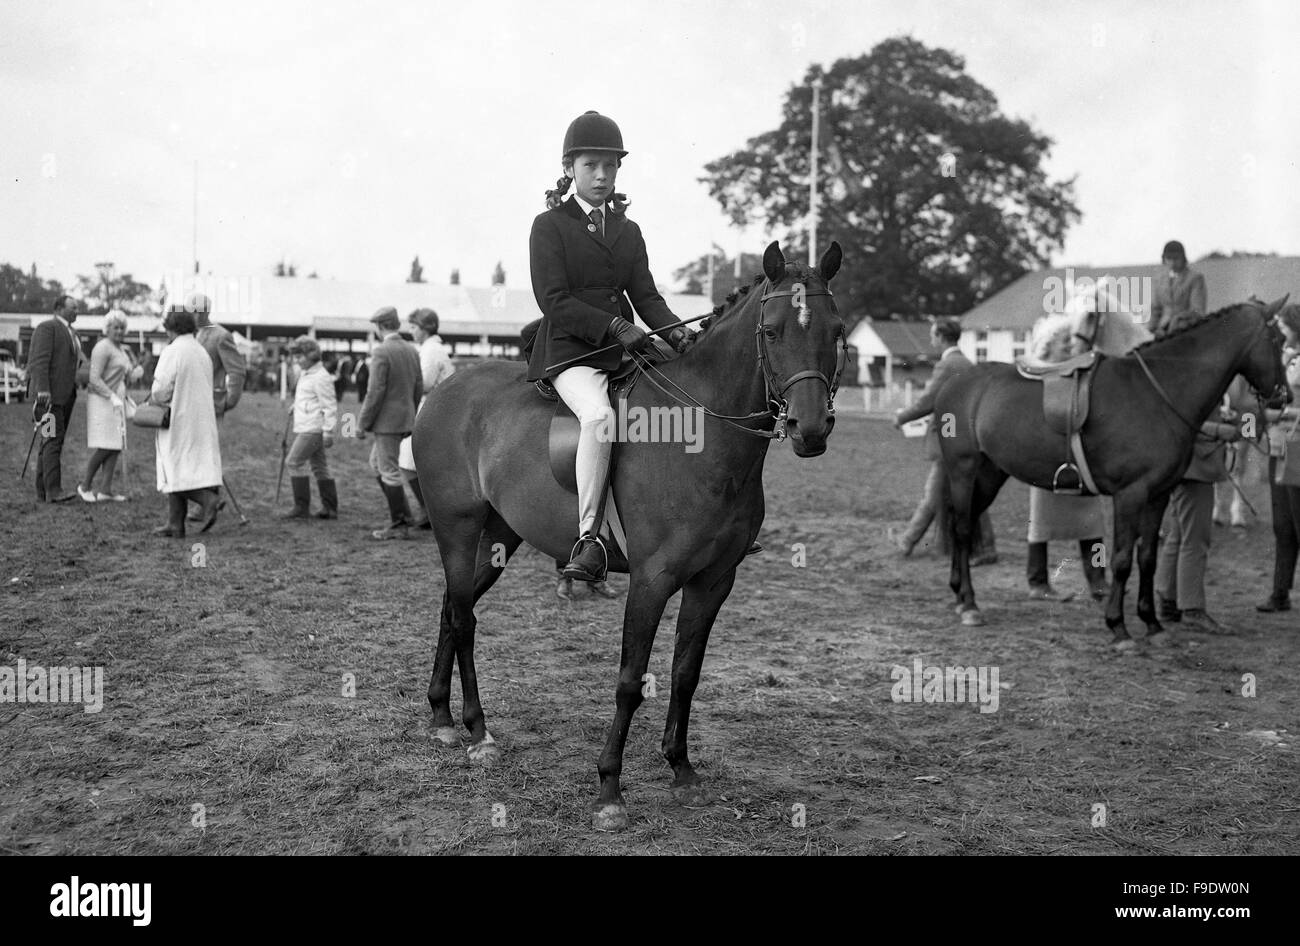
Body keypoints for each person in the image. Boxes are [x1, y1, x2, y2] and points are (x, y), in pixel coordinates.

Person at [526, 110, 692, 582]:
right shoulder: (549, 226)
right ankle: (588, 539)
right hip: (571, 351)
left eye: (610, 167)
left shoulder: (628, 230)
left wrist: (676, 331)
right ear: (570, 169)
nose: (601, 176)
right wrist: (617, 327)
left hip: (625, 349)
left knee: (684, 401)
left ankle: (693, 517)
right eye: (591, 166)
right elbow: (552, 299)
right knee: (600, 417)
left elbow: (647, 296)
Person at [891, 318, 998, 564]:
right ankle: (986, 548)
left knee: (934, 494)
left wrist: (902, 417)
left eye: (933, 335)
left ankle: (907, 540)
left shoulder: (947, 365)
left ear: (941, 336)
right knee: (967, 493)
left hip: (949, 442)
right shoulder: (968, 363)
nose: (931, 340)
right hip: (967, 439)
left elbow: (928, 401)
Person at [149, 306, 222, 537]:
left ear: (171, 328)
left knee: (173, 465)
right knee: (183, 466)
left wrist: (154, 398)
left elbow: (160, 390)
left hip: (177, 417)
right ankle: (175, 523)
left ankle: (208, 500)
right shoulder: (201, 352)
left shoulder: (173, 351)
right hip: (201, 418)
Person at [359, 306, 423, 539]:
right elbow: (417, 386)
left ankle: (400, 524)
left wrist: (361, 423)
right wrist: (410, 413)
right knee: (376, 464)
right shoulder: (411, 350)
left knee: (388, 471)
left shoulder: (381, 352)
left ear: (380, 326)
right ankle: (404, 515)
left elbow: (375, 391)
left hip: (386, 422)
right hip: (405, 419)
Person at [186, 294, 247, 523]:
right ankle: (206, 500)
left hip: (212, 403)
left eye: (194, 311)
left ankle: (207, 503)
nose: (191, 315)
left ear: (204, 312)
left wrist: (230, 400)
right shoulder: (192, 335)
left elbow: (237, 370)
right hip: (191, 403)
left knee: (207, 453)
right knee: (195, 451)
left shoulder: (221, 336)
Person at [1257, 304, 1300, 612]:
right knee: (1282, 524)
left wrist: (1282, 412)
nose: (1281, 331)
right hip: (1278, 447)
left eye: (1284, 326)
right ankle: (1279, 592)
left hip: (1297, 447)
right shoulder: (1279, 357)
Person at [397, 308, 455, 529]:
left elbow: (425, 383)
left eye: (413, 327)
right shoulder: (431, 348)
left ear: (426, 328)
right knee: (415, 463)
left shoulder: (431, 350)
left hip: (433, 412)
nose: (411, 331)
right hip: (435, 411)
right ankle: (431, 511)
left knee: (409, 460)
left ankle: (431, 511)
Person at [27, 294, 87, 503]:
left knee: (52, 440)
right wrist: (43, 389)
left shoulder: (72, 333)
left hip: (65, 396)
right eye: (73, 307)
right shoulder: (47, 328)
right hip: (48, 399)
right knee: (51, 439)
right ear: (59, 308)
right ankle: (53, 490)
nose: (77, 311)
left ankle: (43, 490)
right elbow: (39, 361)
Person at [77, 310, 142, 502]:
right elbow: (94, 379)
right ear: (107, 329)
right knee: (105, 446)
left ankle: (105, 489)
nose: (120, 331)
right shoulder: (102, 347)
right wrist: (111, 396)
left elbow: (124, 374)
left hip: (116, 400)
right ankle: (85, 485)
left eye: (122, 328)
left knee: (115, 445)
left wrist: (135, 373)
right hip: (101, 400)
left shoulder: (121, 349)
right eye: (116, 327)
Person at [280, 336, 339, 520]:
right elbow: (309, 398)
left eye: (300, 356)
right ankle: (329, 508)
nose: (296, 360)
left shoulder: (321, 377)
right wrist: (295, 406)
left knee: (293, 462)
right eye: (295, 356)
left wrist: (329, 431)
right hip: (308, 424)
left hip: (313, 428)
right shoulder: (308, 373)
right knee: (319, 466)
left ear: (312, 355)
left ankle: (301, 507)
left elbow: (329, 405)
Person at [1150, 239, 1207, 333]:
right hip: (1162, 330)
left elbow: (1198, 310)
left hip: (1186, 329)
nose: (1172, 262)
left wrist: (1178, 320)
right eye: (1169, 258)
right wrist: (1150, 330)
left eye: (1176, 258)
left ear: (1183, 258)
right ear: (1164, 259)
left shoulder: (1195, 278)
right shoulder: (1159, 280)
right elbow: (1156, 309)